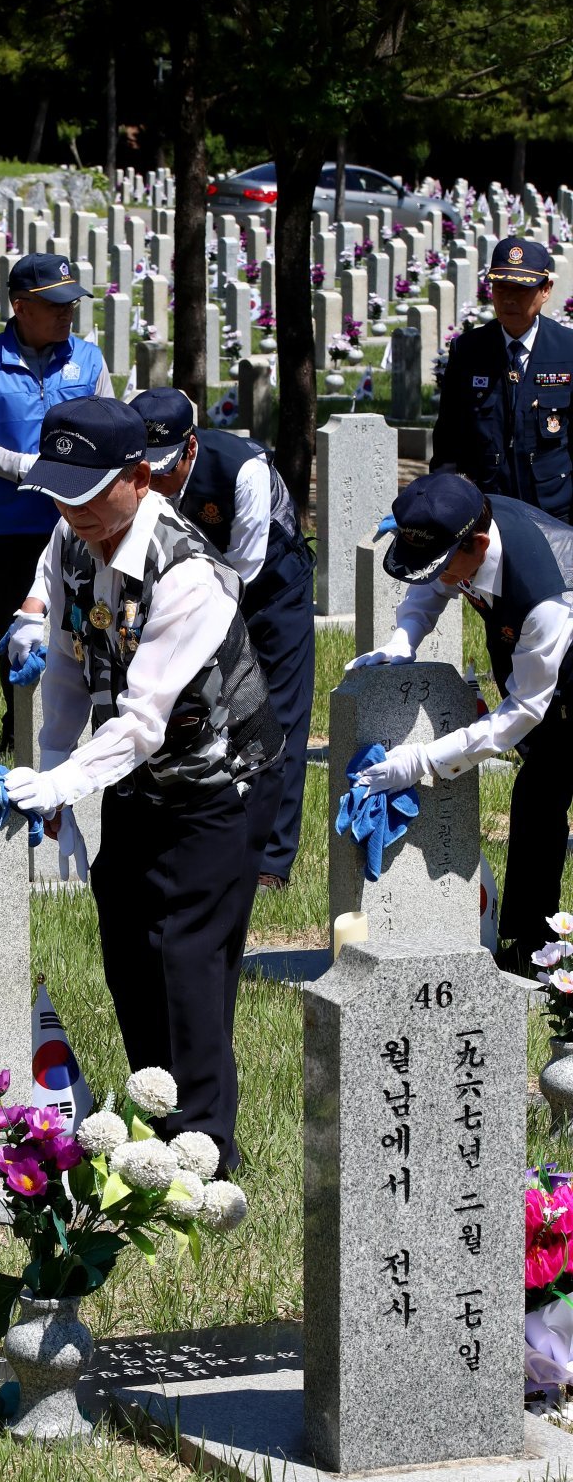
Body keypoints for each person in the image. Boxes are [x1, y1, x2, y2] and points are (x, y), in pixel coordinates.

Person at [3, 399, 283, 1175]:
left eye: (89, 494)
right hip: (136, 781)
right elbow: (67, 666)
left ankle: (202, 1152)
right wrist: (53, 773)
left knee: (186, 955)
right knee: (127, 941)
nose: (72, 511)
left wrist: (61, 780)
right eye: (60, 493)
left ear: (138, 477)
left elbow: (142, 722)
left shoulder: (190, 572)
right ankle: (155, 1114)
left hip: (218, 782)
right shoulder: (71, 539)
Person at [348, 469, 573, 971]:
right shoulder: (463, 513)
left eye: (444, 565)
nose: (440, 577)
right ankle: (533, 944)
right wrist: (405, 636)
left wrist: (423, 760)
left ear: (476, 543)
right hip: (540, 669)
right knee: (538, 796)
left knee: (550, 781)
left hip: (562, 666)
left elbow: (522, 711)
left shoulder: (545, 595)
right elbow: (432, 584)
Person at [128, 388, 315, 892]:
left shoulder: (244, 470)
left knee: (278, 715)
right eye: (146, 473)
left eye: (165, 470)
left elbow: (243, 569)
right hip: (185, 592)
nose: (156, 485)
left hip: (270, 591)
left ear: (190, 447)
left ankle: (271, 859)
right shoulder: (141, 478)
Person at [0, 252, 112, 750]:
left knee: (92, 617)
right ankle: (18, 723)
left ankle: (96, 723)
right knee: (16, 621)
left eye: (72, 304)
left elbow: (110, 422)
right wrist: (28, 467)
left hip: (83, 519)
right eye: (56, 306)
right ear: (21, 307)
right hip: (11, 523)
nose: (68, 314)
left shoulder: (88, 358)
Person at [431, 237, 573, 523]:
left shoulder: (567, 349)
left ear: (545, 290)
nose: (508, 298)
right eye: (500, 287)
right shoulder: (468, 350)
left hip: (555, 510)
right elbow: (448, 438)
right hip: (485, 510)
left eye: (521, 289)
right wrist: (444, 503)